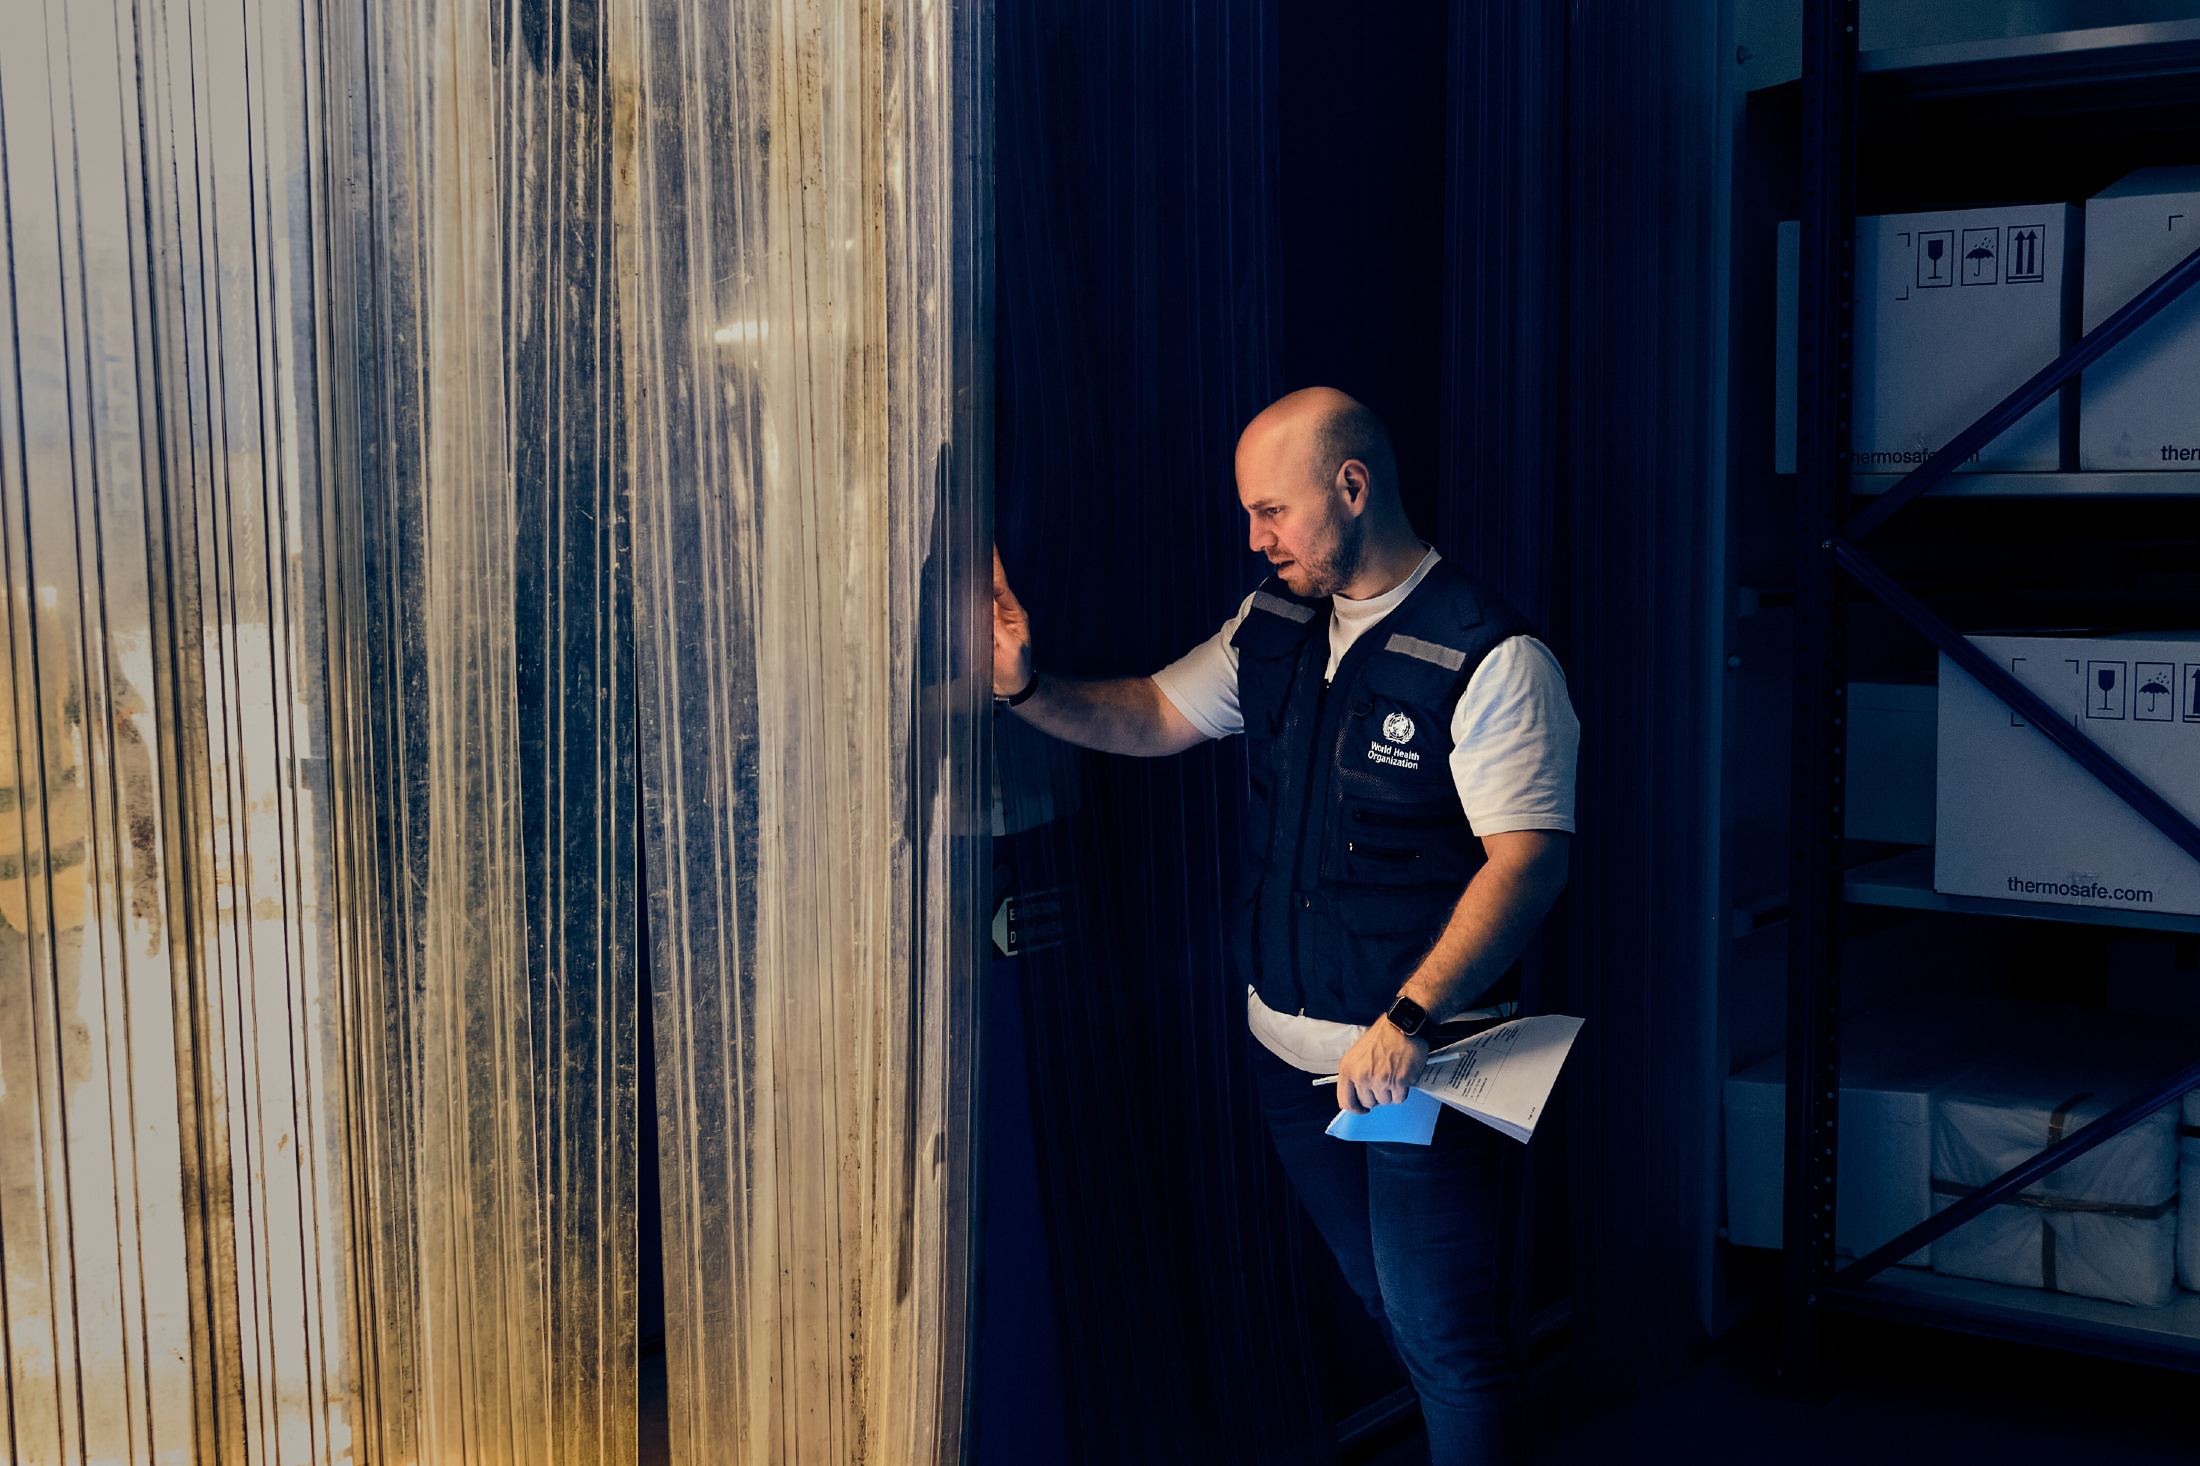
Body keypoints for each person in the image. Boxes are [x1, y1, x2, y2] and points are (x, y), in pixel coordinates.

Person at [991, 387, 1577, 1462]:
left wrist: (1409, 1015)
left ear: (1351, 487)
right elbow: (1156, 713)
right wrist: (1028, 690)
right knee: (1391, 1308)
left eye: (1272, 511)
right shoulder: (1272, 627)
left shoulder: (1491, 657)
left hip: (1419, 1067)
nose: (1255, 539)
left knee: (1449, 1340)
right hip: (1292, 1066)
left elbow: (1529, 864)